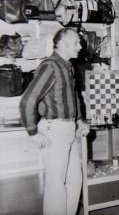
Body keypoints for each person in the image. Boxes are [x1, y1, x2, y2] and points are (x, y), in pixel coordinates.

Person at [19, 27, 90, 215]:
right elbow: (28, 100)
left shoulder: (68, 66)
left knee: (75, 180)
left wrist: (80, 120)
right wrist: (32, 131)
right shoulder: (50, 65)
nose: (80, 46)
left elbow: (73, 96)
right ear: (62, 43)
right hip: (54, 129)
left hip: (69, 128)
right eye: (76, 42)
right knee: (56, 185)